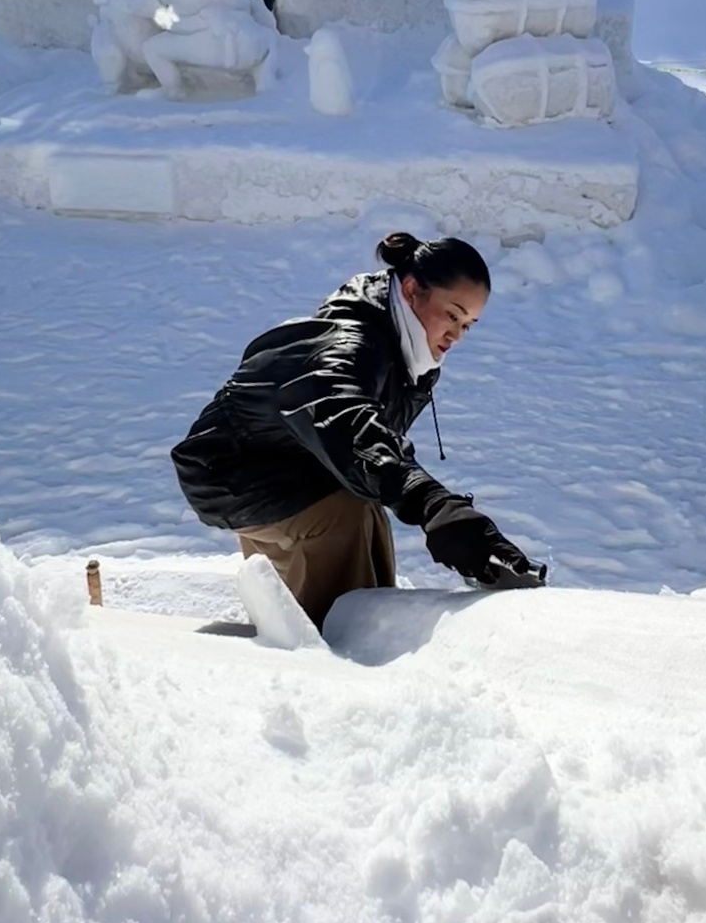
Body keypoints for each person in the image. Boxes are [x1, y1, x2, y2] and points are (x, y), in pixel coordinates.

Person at [171, 231, 545, 629]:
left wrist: (434, 504)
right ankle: (336, 663)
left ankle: (295, 637)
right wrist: (433, 503)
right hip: (239, 472)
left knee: (359, 511)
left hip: (273, 467)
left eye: (468, 324)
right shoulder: (351, 344)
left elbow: (373, 441)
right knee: (345, 519)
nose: (456, 334)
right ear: (414, 289)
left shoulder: (400, 347)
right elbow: (346, 422)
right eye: (452, 314)